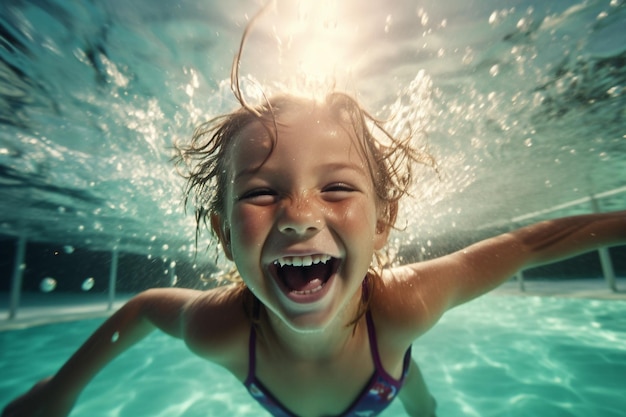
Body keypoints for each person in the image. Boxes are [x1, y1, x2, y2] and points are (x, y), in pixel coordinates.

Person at [3, 9, 626, 417]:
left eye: (336, 189)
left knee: (422, 400)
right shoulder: (222, 330)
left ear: (384, 222)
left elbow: (530, 245)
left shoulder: (401, 305)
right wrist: (60, 393)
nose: (300, 215)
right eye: (258, 193)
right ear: (223, 233)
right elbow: (140, 312)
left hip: (386, 374)